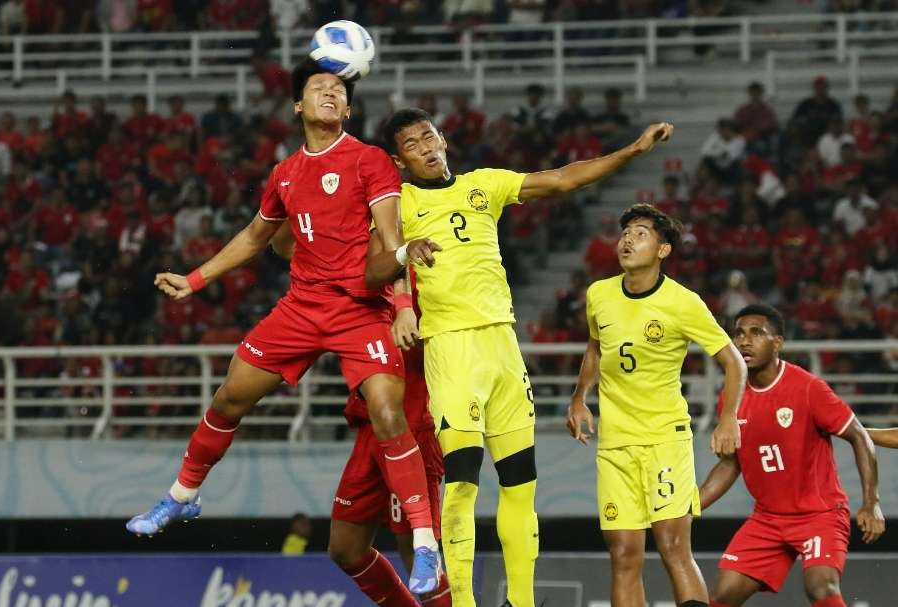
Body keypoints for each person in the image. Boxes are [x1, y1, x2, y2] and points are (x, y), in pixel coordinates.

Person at [126, 59, 444, 598]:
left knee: (390, 412)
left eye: (339, 91)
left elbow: (392, 239)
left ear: (347, 108)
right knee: (230, 396)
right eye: (319, 88)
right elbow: (255, 238)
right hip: (301, 307)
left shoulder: (370, 161)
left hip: (360, 310)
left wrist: (405, 300)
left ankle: (426, 544)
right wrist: (195, 279)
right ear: (298, 106)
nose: (330, 94)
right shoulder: (285, 173)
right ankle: (182, 496)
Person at [381, 108, 674, 607]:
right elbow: (378, 262)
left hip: (503, 348)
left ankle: (521, 602)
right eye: (411, 144)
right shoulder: (398, 204)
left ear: (443, 139)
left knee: (520, 485)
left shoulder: (485, 185)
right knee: (464, 482)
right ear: (399, 160)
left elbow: (560, 180)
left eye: (428, 136)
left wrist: (633, 151)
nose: (425, 147)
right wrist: (403, 304)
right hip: (452, 347)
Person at [566, 204, 747, 607]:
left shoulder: (683, 303)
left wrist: (728, 418)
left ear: (663, 250)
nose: (628, 239)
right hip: (615, 445)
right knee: (624, 554)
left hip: (665, 439)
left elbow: (733, 361)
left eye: (641, 233)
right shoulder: (599, 295)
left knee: (671, 544)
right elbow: (596, 348)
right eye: (625, 232)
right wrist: (579, 398)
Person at [273, 225, 452, 606]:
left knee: (416, 551)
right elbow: (281, 245)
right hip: (369, 429)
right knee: (346, 548)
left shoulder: (415, 275)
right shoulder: (344, 269)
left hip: (410, 424)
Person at [700, 304, 885, 607]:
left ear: (778, 343)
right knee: (722, 594)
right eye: (739, 334)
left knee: (821, 586)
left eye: (756, 333)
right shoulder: (731, 398)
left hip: (820, 514)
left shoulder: (808, 388)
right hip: (767, 518)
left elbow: (861, 437)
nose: (744, 341)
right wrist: (692, 505)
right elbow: (731, 462)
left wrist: (871, 503)